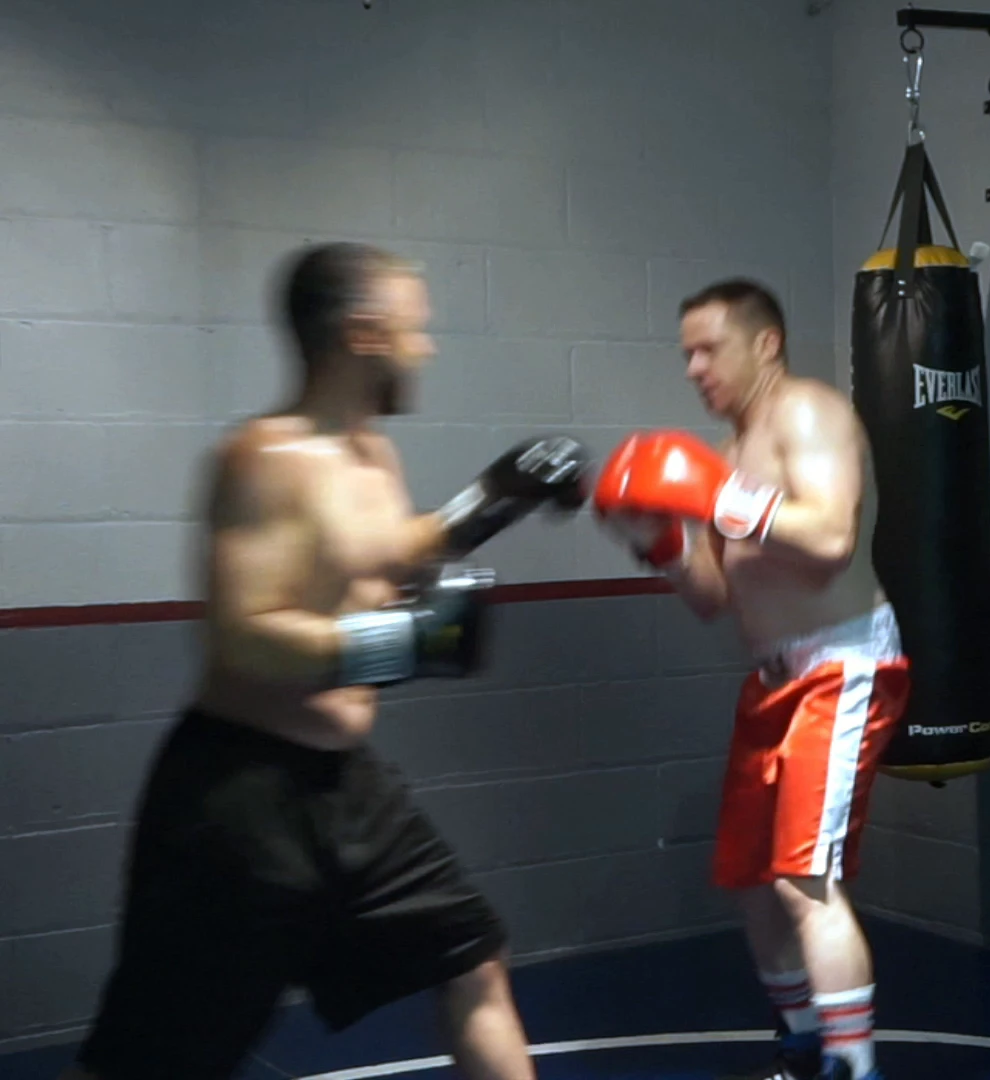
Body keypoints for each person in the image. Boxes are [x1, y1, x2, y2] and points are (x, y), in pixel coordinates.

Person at [62, 241, 593, 1080]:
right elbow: (242, 635)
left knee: (474, 961)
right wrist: (403, 643)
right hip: (239, 804)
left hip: (351, 790)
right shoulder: (263, 461)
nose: (427, 348)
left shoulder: (372, 455)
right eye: (416, 329)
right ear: (365, 334)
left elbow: (391, 553)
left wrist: (501, 497)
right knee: (151, 1059)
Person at [591, 280, 906, 1080]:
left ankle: (853, 1067)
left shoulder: (808, 413)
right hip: (772, 679)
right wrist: (658, 541)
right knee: (752, 881)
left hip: (843, 663)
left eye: (709, 349)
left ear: (766, 344)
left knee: (803, 877)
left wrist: (715, 496)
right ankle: (802, 1045)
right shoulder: (726, 455)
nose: (694, 369)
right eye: (687, 355)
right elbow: (713, 598)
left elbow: (829, 537)